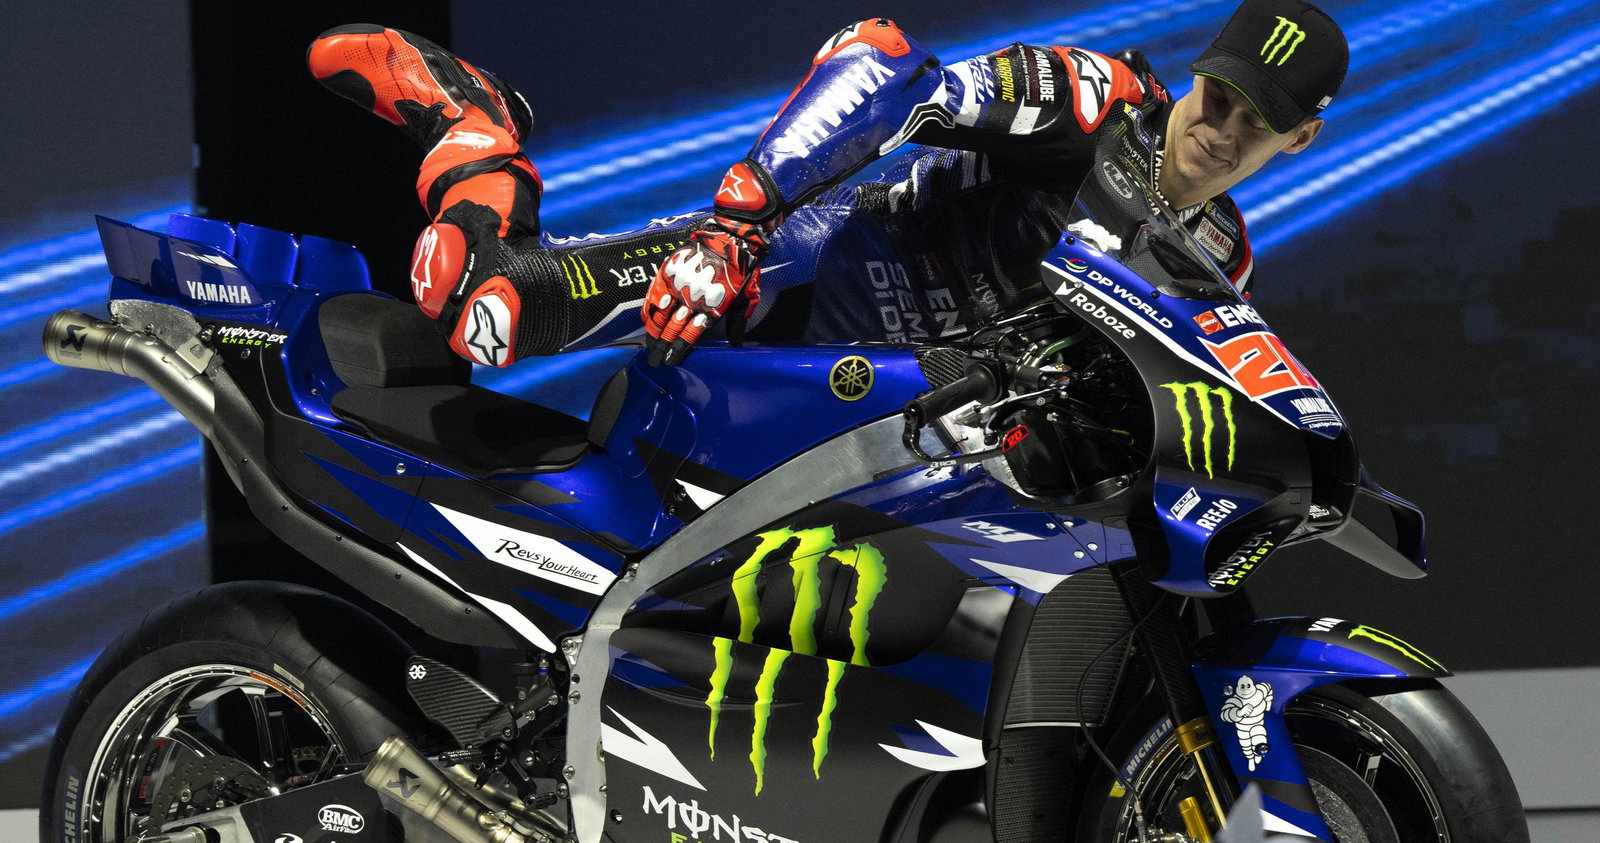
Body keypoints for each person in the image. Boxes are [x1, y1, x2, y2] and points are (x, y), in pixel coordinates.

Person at [305, 0, 1346, 368]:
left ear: (1299, 141)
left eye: (1254, 124)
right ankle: (472, 125)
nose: (1219, 132)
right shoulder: (1095, 99)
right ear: (1199, 71)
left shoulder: (1222, 263)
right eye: (1217, 98)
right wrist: (736, 228)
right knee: (484, 309)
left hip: (912, 441)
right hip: (796, 280)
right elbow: (883, 62)